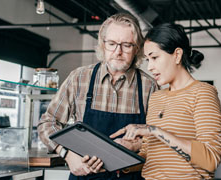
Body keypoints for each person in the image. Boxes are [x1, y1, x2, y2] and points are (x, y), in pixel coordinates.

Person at [38, 13, 158, 180]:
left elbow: (158, 136)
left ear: (137, 48)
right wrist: (66, 153)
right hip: (85, 175)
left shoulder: (149, 86)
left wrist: (137, 144)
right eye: (112, 44)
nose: (118, 52)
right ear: (102, 45)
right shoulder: (79, 78)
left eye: (126, 45)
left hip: (131, 176)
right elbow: (47, 123)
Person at [110, 23, 221, 179]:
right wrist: (120, 160)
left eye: (155, 57)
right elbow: (150, 156)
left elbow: (211, 158)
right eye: (147, 60)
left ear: (177, 55)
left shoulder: (203, 93)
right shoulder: (157, 97)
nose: (149, 67)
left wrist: (155, 131)